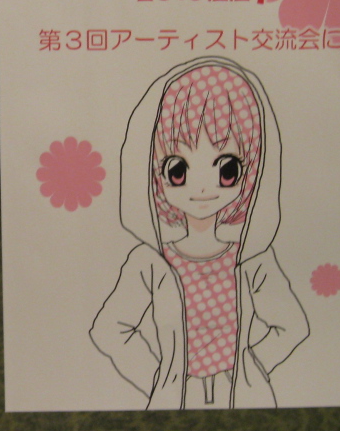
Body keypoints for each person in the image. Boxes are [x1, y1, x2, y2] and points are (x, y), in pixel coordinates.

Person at [90, 56, 309, 410]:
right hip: (174, 395)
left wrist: (251, 369)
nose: (203, 188)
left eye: (227, 170)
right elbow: (109, 329)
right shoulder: (150, 262)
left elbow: (292, 326)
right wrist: (160, 379)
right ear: (153, 172)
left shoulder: (252, 257)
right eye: (178, 170)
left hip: (244, 394)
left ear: (252, 170)